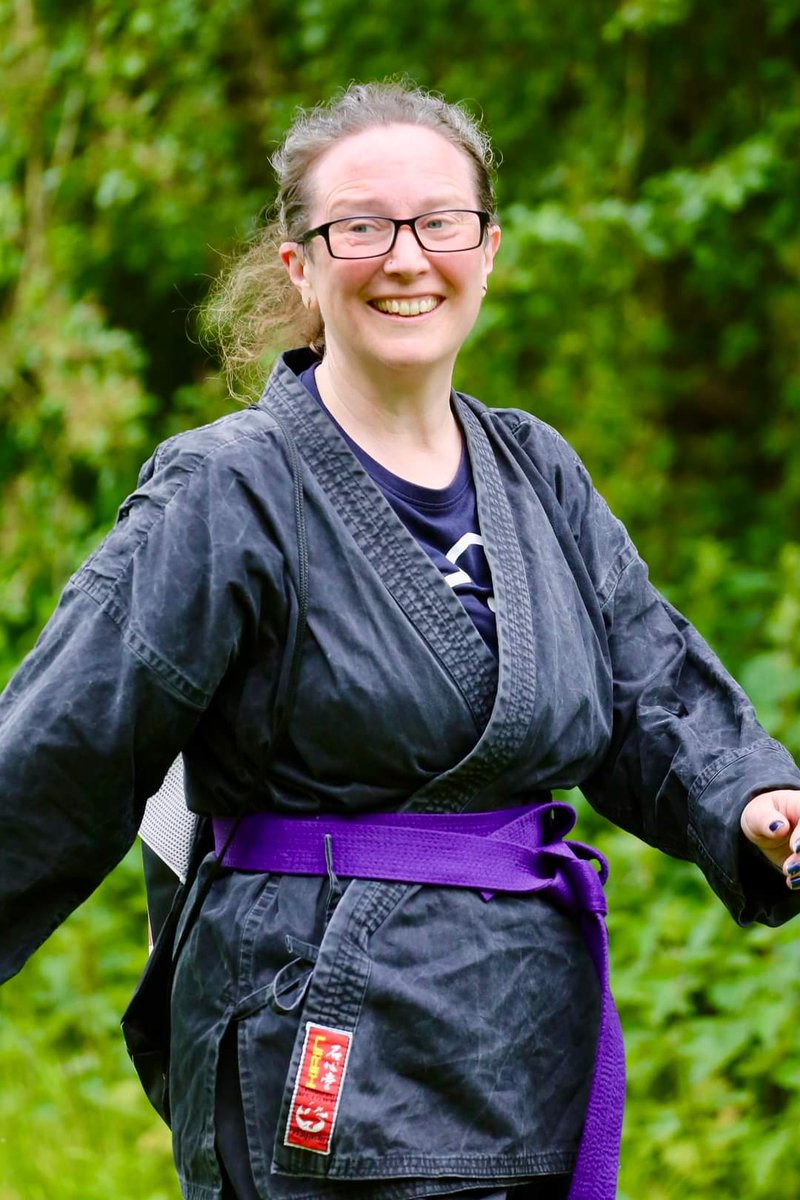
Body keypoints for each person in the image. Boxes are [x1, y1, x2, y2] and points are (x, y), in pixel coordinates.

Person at [1, 80, 799, 1200]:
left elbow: (650, 690)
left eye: (440, 222)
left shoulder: (535, 471)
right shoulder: (226, 491)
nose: (406, 257)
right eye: (361, 227)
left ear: (487, 247)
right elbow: (66, 743)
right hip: (322, 1046)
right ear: (301, 265)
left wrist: (757, 802)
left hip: (526, 1047)